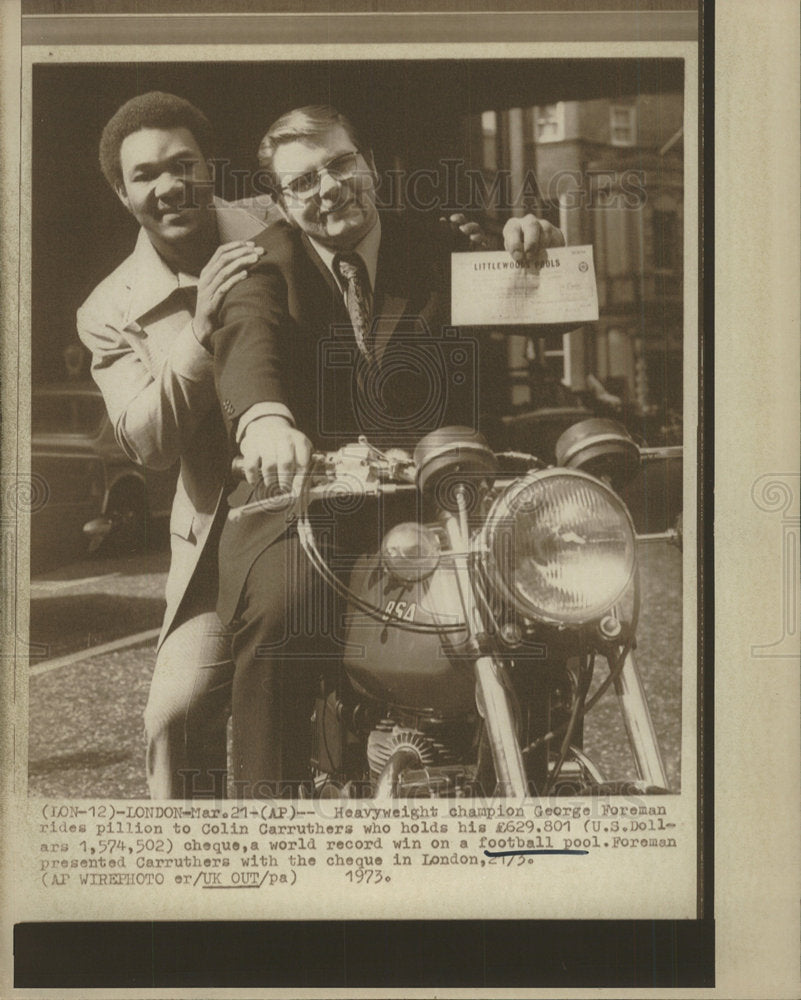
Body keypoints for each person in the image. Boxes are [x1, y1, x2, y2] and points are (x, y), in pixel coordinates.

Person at [210, 105, 565, 798]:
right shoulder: (263, 267)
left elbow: (531, 294)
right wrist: (264, 422)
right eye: (302, 181)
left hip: (438, 497)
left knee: (543, 603)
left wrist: (535, 245)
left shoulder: (441, 244)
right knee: (287, 611)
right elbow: (248, 342)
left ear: (368, 162)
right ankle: (267, 821)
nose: (328, 188)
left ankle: (536, 792)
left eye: (340, 165)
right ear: (281, 201)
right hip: (303, 502)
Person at [77, 91, 280, 798]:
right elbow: (149, 445)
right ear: (120, 191)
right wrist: (198, 332)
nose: (169, 187)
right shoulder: (108, 309)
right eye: (145, 175)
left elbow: (363, 226)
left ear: (209, 165)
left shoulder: (276, 225)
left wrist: (506, 230)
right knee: (176, 713)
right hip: (220, 539)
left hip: (329, 494)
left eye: (183, 164)